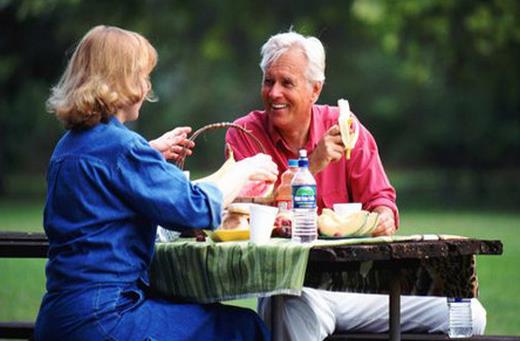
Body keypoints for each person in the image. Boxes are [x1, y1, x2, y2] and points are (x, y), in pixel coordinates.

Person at [225, 30, 486, 340]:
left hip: (359, 290)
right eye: (269, 82)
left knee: (470, 314)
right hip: (293, 289)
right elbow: (241, 210)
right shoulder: (244, 134)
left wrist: (382, 218)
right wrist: (316, 163)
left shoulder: (348, 131)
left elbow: (383, 204)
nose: (274, 93)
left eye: (287, 83)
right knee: (293, 316)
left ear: (315, 90)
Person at [34, 25, 278, 341]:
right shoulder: (123, 148)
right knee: (245, 328)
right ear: (122, 81)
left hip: (58, 317)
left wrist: (148, 153)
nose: (148, 85)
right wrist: (245, 168)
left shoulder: (68, 147)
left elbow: (103, 182)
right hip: (106, 319)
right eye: (143, 75)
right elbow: (197, 208)